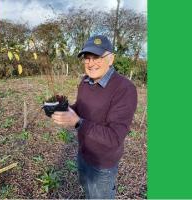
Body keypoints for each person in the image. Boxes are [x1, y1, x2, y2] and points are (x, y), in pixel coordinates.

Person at [52, 35, 137, 199]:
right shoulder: (85, 81)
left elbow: (114, 137)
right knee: (88, 192)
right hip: (83, 154)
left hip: (102, 165)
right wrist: (63, 108)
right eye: (87, 58)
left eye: (97, 57)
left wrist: (77, 122)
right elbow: (79, 109)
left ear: (111, 59)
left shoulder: (124, 89)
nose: (91, 63)